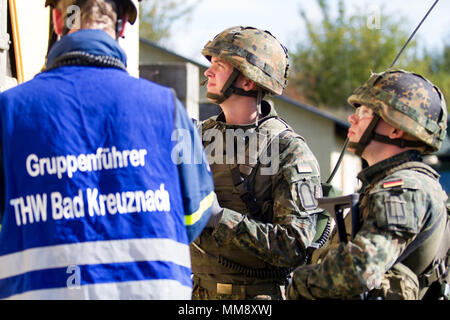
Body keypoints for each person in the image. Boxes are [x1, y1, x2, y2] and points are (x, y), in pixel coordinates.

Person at [0, 0, 214, 299]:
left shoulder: (9, 110)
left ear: (58, 21)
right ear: (124, 25)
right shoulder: (167, 108)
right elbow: (196, 214)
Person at [287, 69, 450, 300]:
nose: (352, 118)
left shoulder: (404, 189)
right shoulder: (384, 185)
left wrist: (296, 284)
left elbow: (359, 271)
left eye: (365, 112)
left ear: (396, 129)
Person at [190, 26, 324, 300]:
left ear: (248, 81)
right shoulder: (194, 138)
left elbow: (295, 245)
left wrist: (220, 218)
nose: (208, 72)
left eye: (219, 65)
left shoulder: (289, 150)